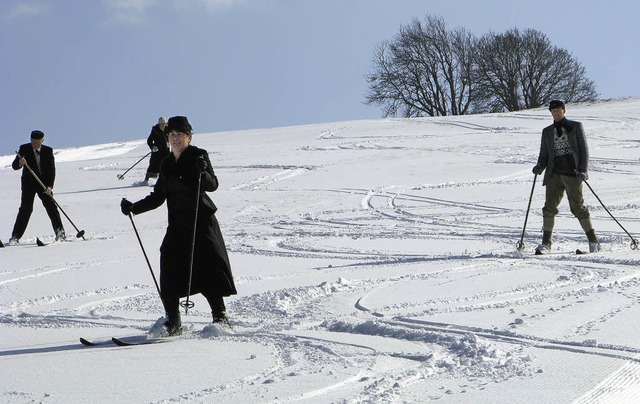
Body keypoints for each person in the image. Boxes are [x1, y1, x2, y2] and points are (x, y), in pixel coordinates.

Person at [121, 116, 237, 336]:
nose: (175, 138)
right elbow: (158, 197)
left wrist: (203, 171)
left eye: (180, 135)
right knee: (169, 267)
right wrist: (133, 208)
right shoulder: (166, 163)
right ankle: (173, 323)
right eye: (172, 135)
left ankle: (220, 319)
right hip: (177, 224)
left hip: (200, 222)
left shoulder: (198, 155)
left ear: (189, 137)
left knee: (207, 268)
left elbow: (212, 185)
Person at [532, 100, 600, 254]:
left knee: (577, 207)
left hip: (573, 174)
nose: (556, 112)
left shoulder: (575, 127)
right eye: (553, 111)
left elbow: (584, 151)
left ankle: (593, 241)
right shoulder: (547, 131)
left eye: (558, 110)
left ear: (564, 110)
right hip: (553, 175)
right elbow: (544, 154)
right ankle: (546, 244)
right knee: (549, 208)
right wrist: (539, 167)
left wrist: (583, 170)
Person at [9, 130, 66, 244]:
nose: (35, 144)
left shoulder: (48, 151)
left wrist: (49, 186)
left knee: (51, 206)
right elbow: (15, 166)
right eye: (33, 141)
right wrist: (20, 162)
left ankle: (60, 233)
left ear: (42, 141)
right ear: (30, 140)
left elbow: (51, 170)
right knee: (26, 209)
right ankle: (15, 237)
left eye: (37, 142)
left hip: (43, 184)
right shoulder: (24, 148)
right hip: (28, 184)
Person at [144, 116, 170, 183]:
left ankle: (166, 180)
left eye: (164, 124)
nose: (163, 125)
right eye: (161, 124)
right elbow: (149, 140)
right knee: (153, 165)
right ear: (159, 124)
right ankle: (146, 180)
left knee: (167, 165)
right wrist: (153, 147)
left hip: (166, 151)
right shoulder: (155, 130)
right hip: (157, 152)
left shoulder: (168, 130)